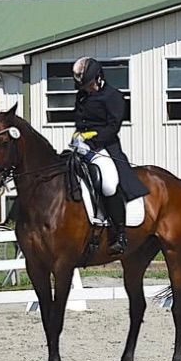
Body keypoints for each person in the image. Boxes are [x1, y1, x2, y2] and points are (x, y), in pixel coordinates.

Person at [71, 57, 149, 254]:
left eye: (89, 85)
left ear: (98, 78)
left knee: (108, 181)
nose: (86, 89)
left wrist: (92, 139)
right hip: (83, 146)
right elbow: (80, 121)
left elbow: (113, 127)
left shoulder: (113, 96)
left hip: (105, 146)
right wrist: (78, 136)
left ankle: (119, 233)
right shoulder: (82, 96)